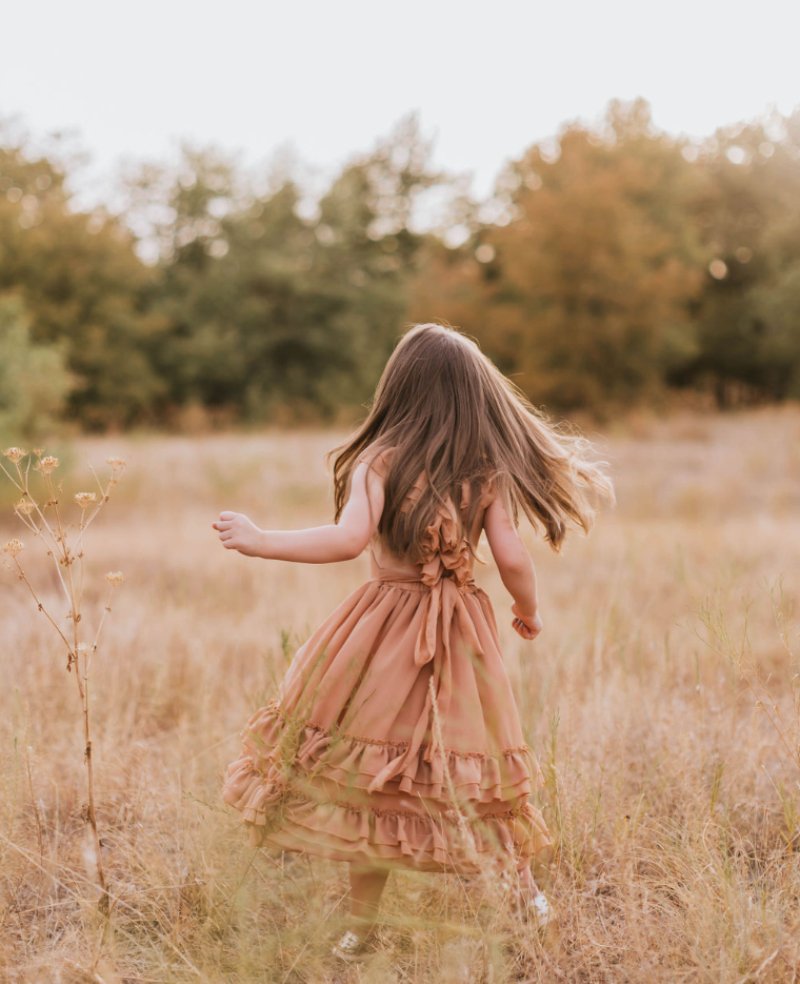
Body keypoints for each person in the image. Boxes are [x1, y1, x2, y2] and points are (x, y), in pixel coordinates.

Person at [213, 322, 614, 962]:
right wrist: (527, 609)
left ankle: (359, 926)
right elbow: (511, 556)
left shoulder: (379, 462)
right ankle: (526, 900)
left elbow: (345, 542)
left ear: (396, 388)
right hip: (462, 638)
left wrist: (263, 539)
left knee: (366, 775)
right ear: (475, 394)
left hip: (376, 635)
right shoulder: (485, 471)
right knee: (478, 771)